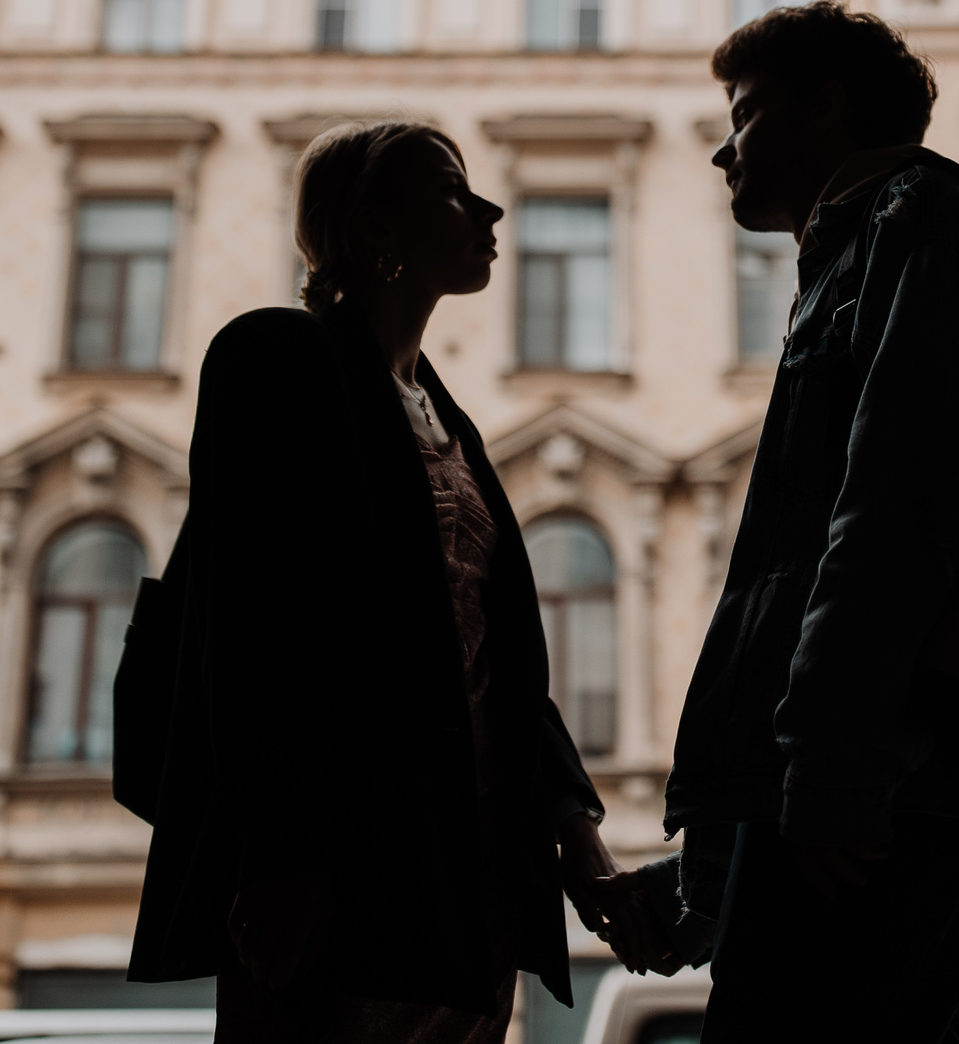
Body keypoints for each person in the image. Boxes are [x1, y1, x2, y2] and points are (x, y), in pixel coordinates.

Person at [126, 120, 673, 1043]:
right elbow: (254, 622)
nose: (490, 209)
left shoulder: (448, 418)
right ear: (376, 226)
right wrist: (282, 856)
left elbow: (494, 662)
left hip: (471, 883)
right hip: (344, 876)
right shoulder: (276, 358)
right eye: (454, 190)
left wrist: (580, 848)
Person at [653, 1, 959, 1042]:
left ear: (823, 108)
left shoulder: (915, 224)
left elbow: (895, 515)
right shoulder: (874, 241)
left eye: (742, 114)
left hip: (874, 785)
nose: (719, 149)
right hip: (865, 774)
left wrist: (833, 766)